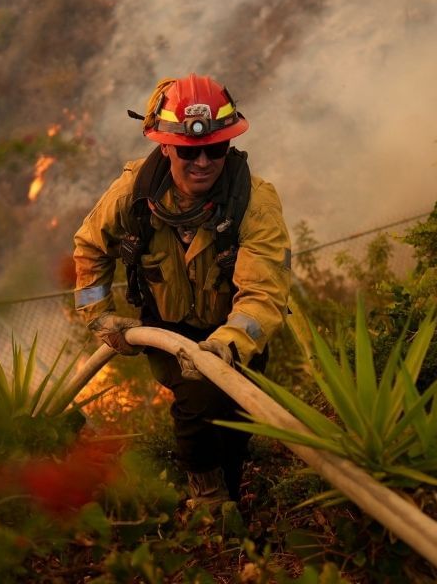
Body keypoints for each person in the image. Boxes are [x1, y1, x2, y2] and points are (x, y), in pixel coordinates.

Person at [71, 73, 291, 509]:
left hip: (233, 338)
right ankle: (208, 504)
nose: (204, 162)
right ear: (166, 146)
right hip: (167, 330)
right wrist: (98, 316)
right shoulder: (133, 194)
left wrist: (228, 344)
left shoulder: (255, 202)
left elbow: (264, 293)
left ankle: (229, 488)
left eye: (216, 149)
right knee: (198, 403)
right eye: (191, 151)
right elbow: (89, 246)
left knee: (236, 419)